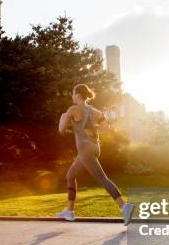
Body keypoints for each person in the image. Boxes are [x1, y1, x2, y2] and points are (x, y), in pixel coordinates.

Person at [56, 83, 135, 225]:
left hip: (84, 149)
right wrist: (91, 128)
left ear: (78, 95)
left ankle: (125, 207)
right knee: (70, 176)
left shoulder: (73, 109)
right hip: (94, 147)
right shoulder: (96, 111)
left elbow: (61, 130)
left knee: (103, 179)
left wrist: (63, 117)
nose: (72, 96)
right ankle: (69, 211)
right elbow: (107, 129)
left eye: (73, 94)